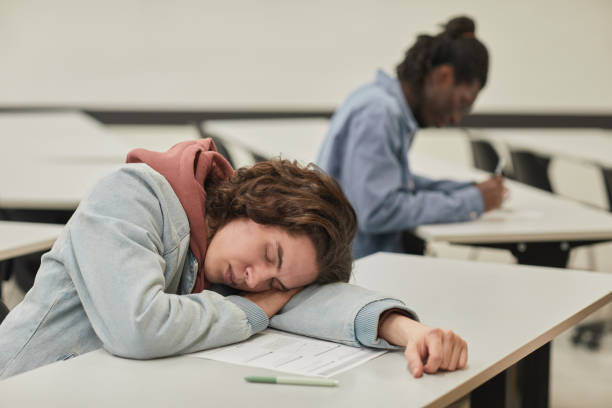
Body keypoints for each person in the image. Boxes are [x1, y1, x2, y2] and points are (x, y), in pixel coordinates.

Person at [0, 139, 467, 379]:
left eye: (276, 280)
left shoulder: (224, 255)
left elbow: (307, 299)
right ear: (255, 202)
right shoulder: (130, 194)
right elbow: (137, 326)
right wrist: (255, 308)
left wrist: (410, 332)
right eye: (269, 254)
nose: (256, 279)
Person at [316, 16, 506, 259]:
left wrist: (465, 190)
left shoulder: (382, 103)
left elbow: (394, 183)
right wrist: (471, 202)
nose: (457, 118)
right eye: (461, 103)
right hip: (362, 270)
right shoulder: (380, 113)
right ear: (443, 77)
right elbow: (378, 210)